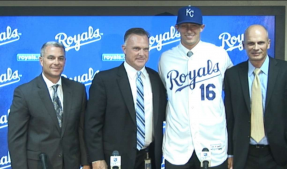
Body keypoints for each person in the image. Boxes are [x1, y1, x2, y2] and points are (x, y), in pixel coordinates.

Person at [158, 5, 233, 169]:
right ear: (176, 28)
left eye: (194, 25)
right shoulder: (166, 59)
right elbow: (163, 93)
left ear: (202, 27)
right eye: (184, 25)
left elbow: (233, 92)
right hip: (177, 145)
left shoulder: (219, 54)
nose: (189, 30)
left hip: (213, 142)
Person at [84, 28, 167, 169]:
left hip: (150, 158)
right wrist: (97, 158)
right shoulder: (104, 80)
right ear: (124, 49)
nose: (142, 53)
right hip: (116, 159)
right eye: (136, 48)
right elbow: (93, 124)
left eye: (145, 49)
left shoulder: (156, 78)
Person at [224, 24, 287, 169]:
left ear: (268, 44)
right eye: (251, 43)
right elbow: (230, 117)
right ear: (243, 45)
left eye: (261, 42)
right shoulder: (232, 75)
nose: (256, 47)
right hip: (245, 155)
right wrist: (230, 153)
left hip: (282, 154)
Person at [8, 41, 90, 169]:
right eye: (51, 58)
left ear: (65, 61)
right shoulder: (24, 93)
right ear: (41, 61)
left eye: (60, 58)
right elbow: (16, 140)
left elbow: (81, 129)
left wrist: (86, 163)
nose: (56, 62)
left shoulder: (78, 90)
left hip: (71, 164)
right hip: (39, 164)